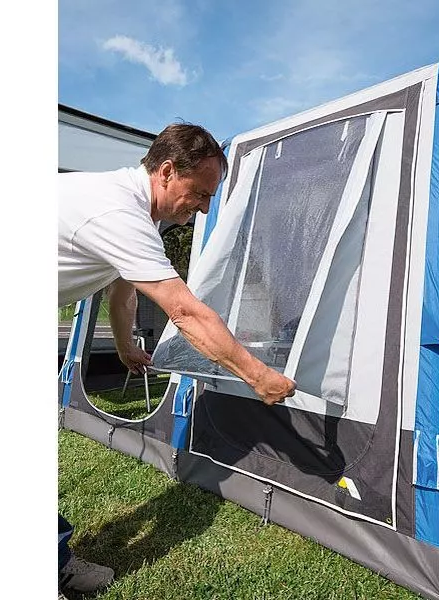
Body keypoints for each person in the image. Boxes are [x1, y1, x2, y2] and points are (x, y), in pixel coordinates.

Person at [57, 122, 296, 596]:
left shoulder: (137, 215)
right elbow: (185, 312)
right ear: (167, 171)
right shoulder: (118, 212)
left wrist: (125, 347)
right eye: (201, 193)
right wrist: (258, 376)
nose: (204, 207)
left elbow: (123, 288)